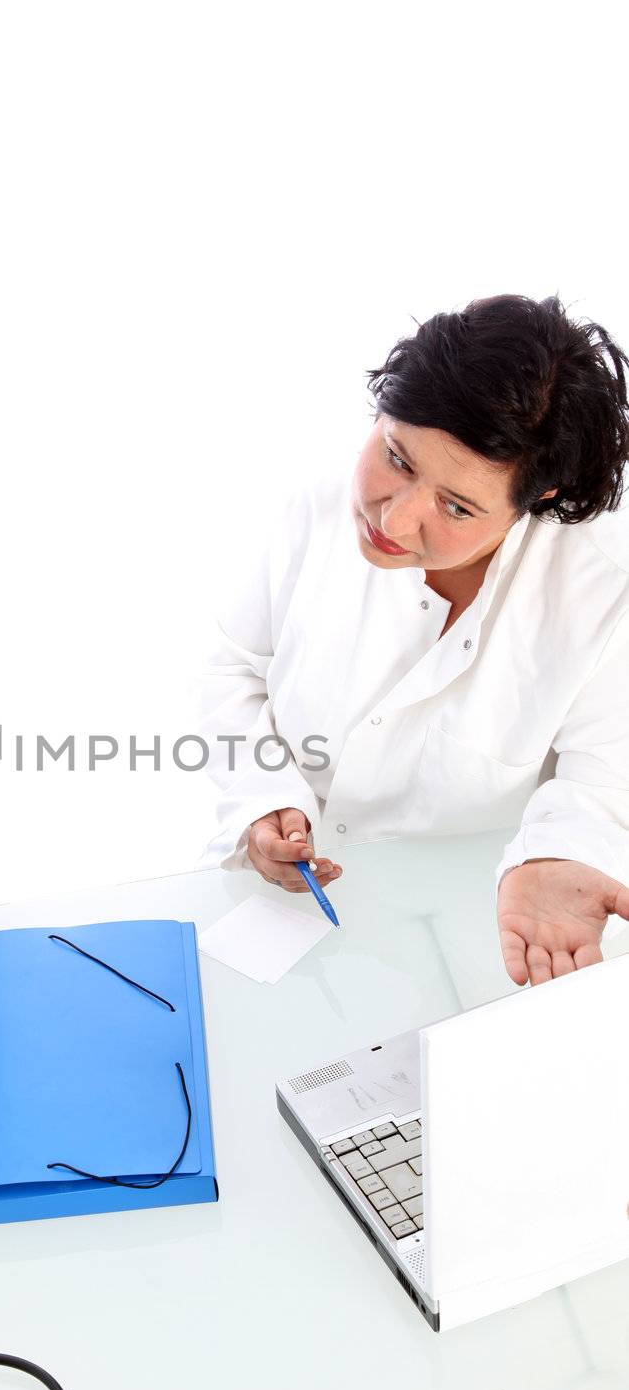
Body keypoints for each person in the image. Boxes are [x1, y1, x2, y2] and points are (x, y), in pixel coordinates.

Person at [196, 294, 629, 987]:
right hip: (286, 915)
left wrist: (555, 855)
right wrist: (262, 797)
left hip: (471, 931)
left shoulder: (604, 593)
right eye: (396, 458)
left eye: (456, 507)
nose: (393, 521)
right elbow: (233, 668)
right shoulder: (318, 503)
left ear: (539, 501)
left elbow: (605, 779)